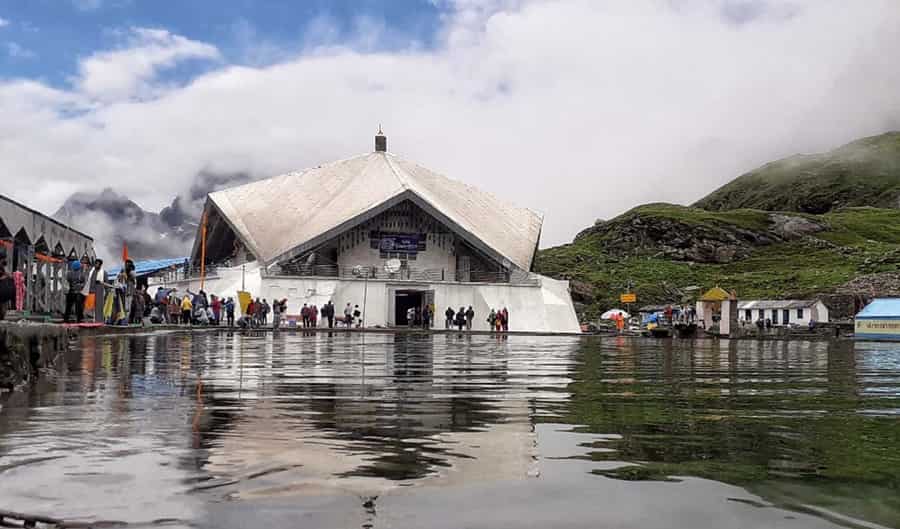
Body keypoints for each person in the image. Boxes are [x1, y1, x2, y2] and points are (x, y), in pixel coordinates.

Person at [0, 247, 12, 321]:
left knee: (3, 307)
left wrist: (5, 270)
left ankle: (2, 319)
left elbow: (9, 275)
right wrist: (4, 277)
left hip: (3, 292)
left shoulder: (3, 267)